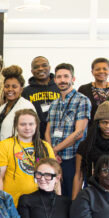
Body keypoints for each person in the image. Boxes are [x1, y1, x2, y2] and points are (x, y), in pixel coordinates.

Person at [45, 63, 91, 197]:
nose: (62, 80)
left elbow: (79, 133)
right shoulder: (54, 104)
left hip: (73, 158)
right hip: (55, 159)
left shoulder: (82, 100)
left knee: (72, 196)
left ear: (73, 79)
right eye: (59, 77)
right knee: (56, 196)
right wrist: (52, 152)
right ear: (55, 80)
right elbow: (47, 132)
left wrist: (54, 150)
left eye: (66, 76)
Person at [0, 109, 55, 206]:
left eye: (31, 124)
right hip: (12, 205)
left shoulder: (45, 147)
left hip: (41, 205)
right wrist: (1, 203)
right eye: (23, 124)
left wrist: (57, 203)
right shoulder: (5, 145)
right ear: (16, 126)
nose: (27, 128)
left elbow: (55, 178)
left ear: (36, 125)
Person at [0, 66, 35, 153]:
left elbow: (31, 135)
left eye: (14, 86)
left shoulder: (26, 107)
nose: (10, 89)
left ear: (21, 88)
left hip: (17, 156)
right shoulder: (0, 109)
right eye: (7, 86)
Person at [22, 56, 60, 137]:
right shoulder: (25, 92)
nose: (40, 68)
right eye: (36, 67)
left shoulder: (59, 87)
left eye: (44, 65)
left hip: (58, 133)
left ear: (49, 68)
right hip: (35, 135)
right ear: (32, 71)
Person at [77, 58, 109, 123]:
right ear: (92, 72)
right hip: (91, 130)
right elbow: (79, 112)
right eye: (97, 69)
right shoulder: (83, 89)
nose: (101, 71)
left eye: (105, 69)